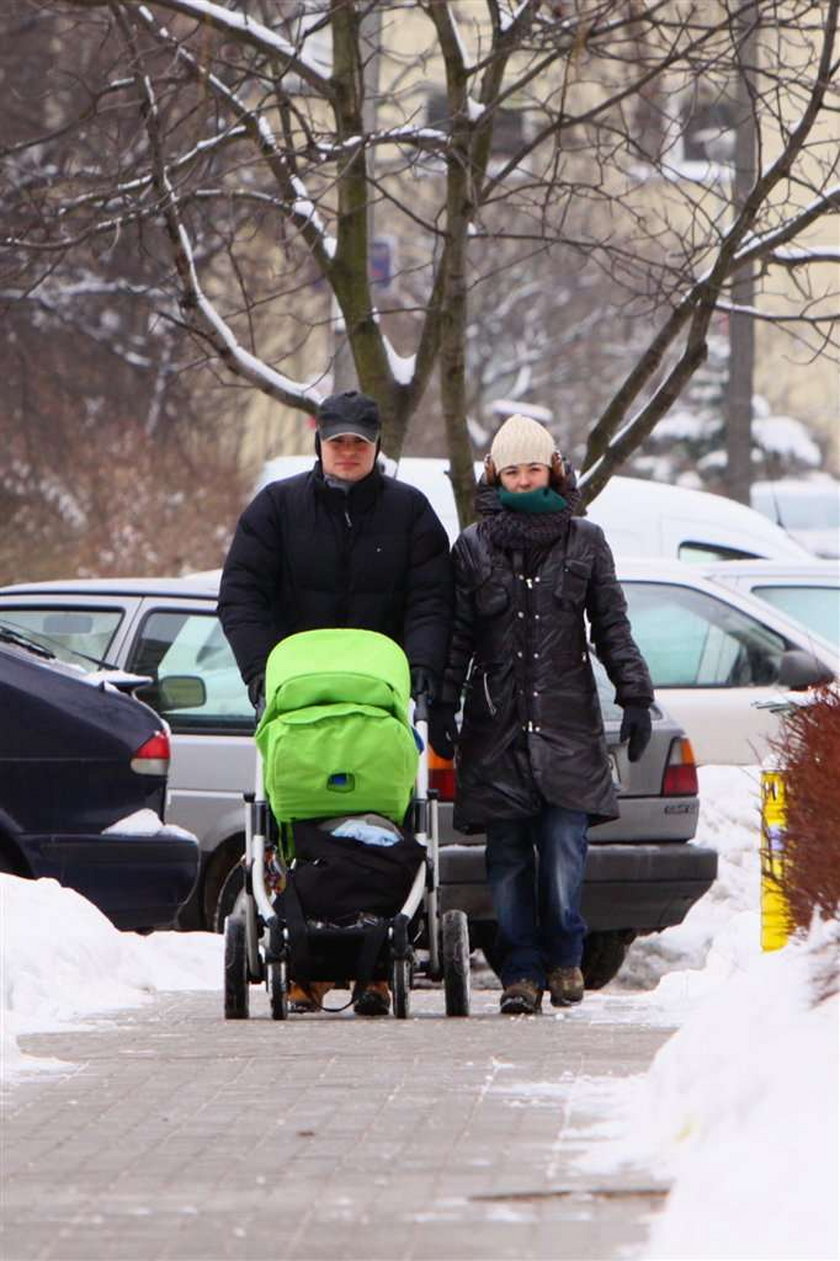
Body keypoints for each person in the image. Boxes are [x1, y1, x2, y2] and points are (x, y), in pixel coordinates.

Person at [219, 389, 452, 1015]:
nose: (348, 453)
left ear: (377, 447)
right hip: (301, 703)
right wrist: (264, 673)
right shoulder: (277, 509)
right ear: (319, 443)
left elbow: (432, 599)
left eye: (359, 443)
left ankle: (379, 965)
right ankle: (304, 968)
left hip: (379, 703)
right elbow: (242, 595)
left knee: (386, 820)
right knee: (295, 825)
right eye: (337, 442)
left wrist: (422, 668)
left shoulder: (410, 513)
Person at [429, 414, 654, 1016]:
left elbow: (611, 626)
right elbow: (457, 637)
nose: (524, 481)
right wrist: (442, 705)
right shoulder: (473, 547)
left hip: (566, 725)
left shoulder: (585, 540)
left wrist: (634, 695)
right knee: (506, 858)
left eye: (533, 468)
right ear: (495, 475)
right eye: (512, 471)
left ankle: (565, 957)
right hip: (496, 726)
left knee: (562, 850)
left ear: (552, 468)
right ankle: (520, 972)